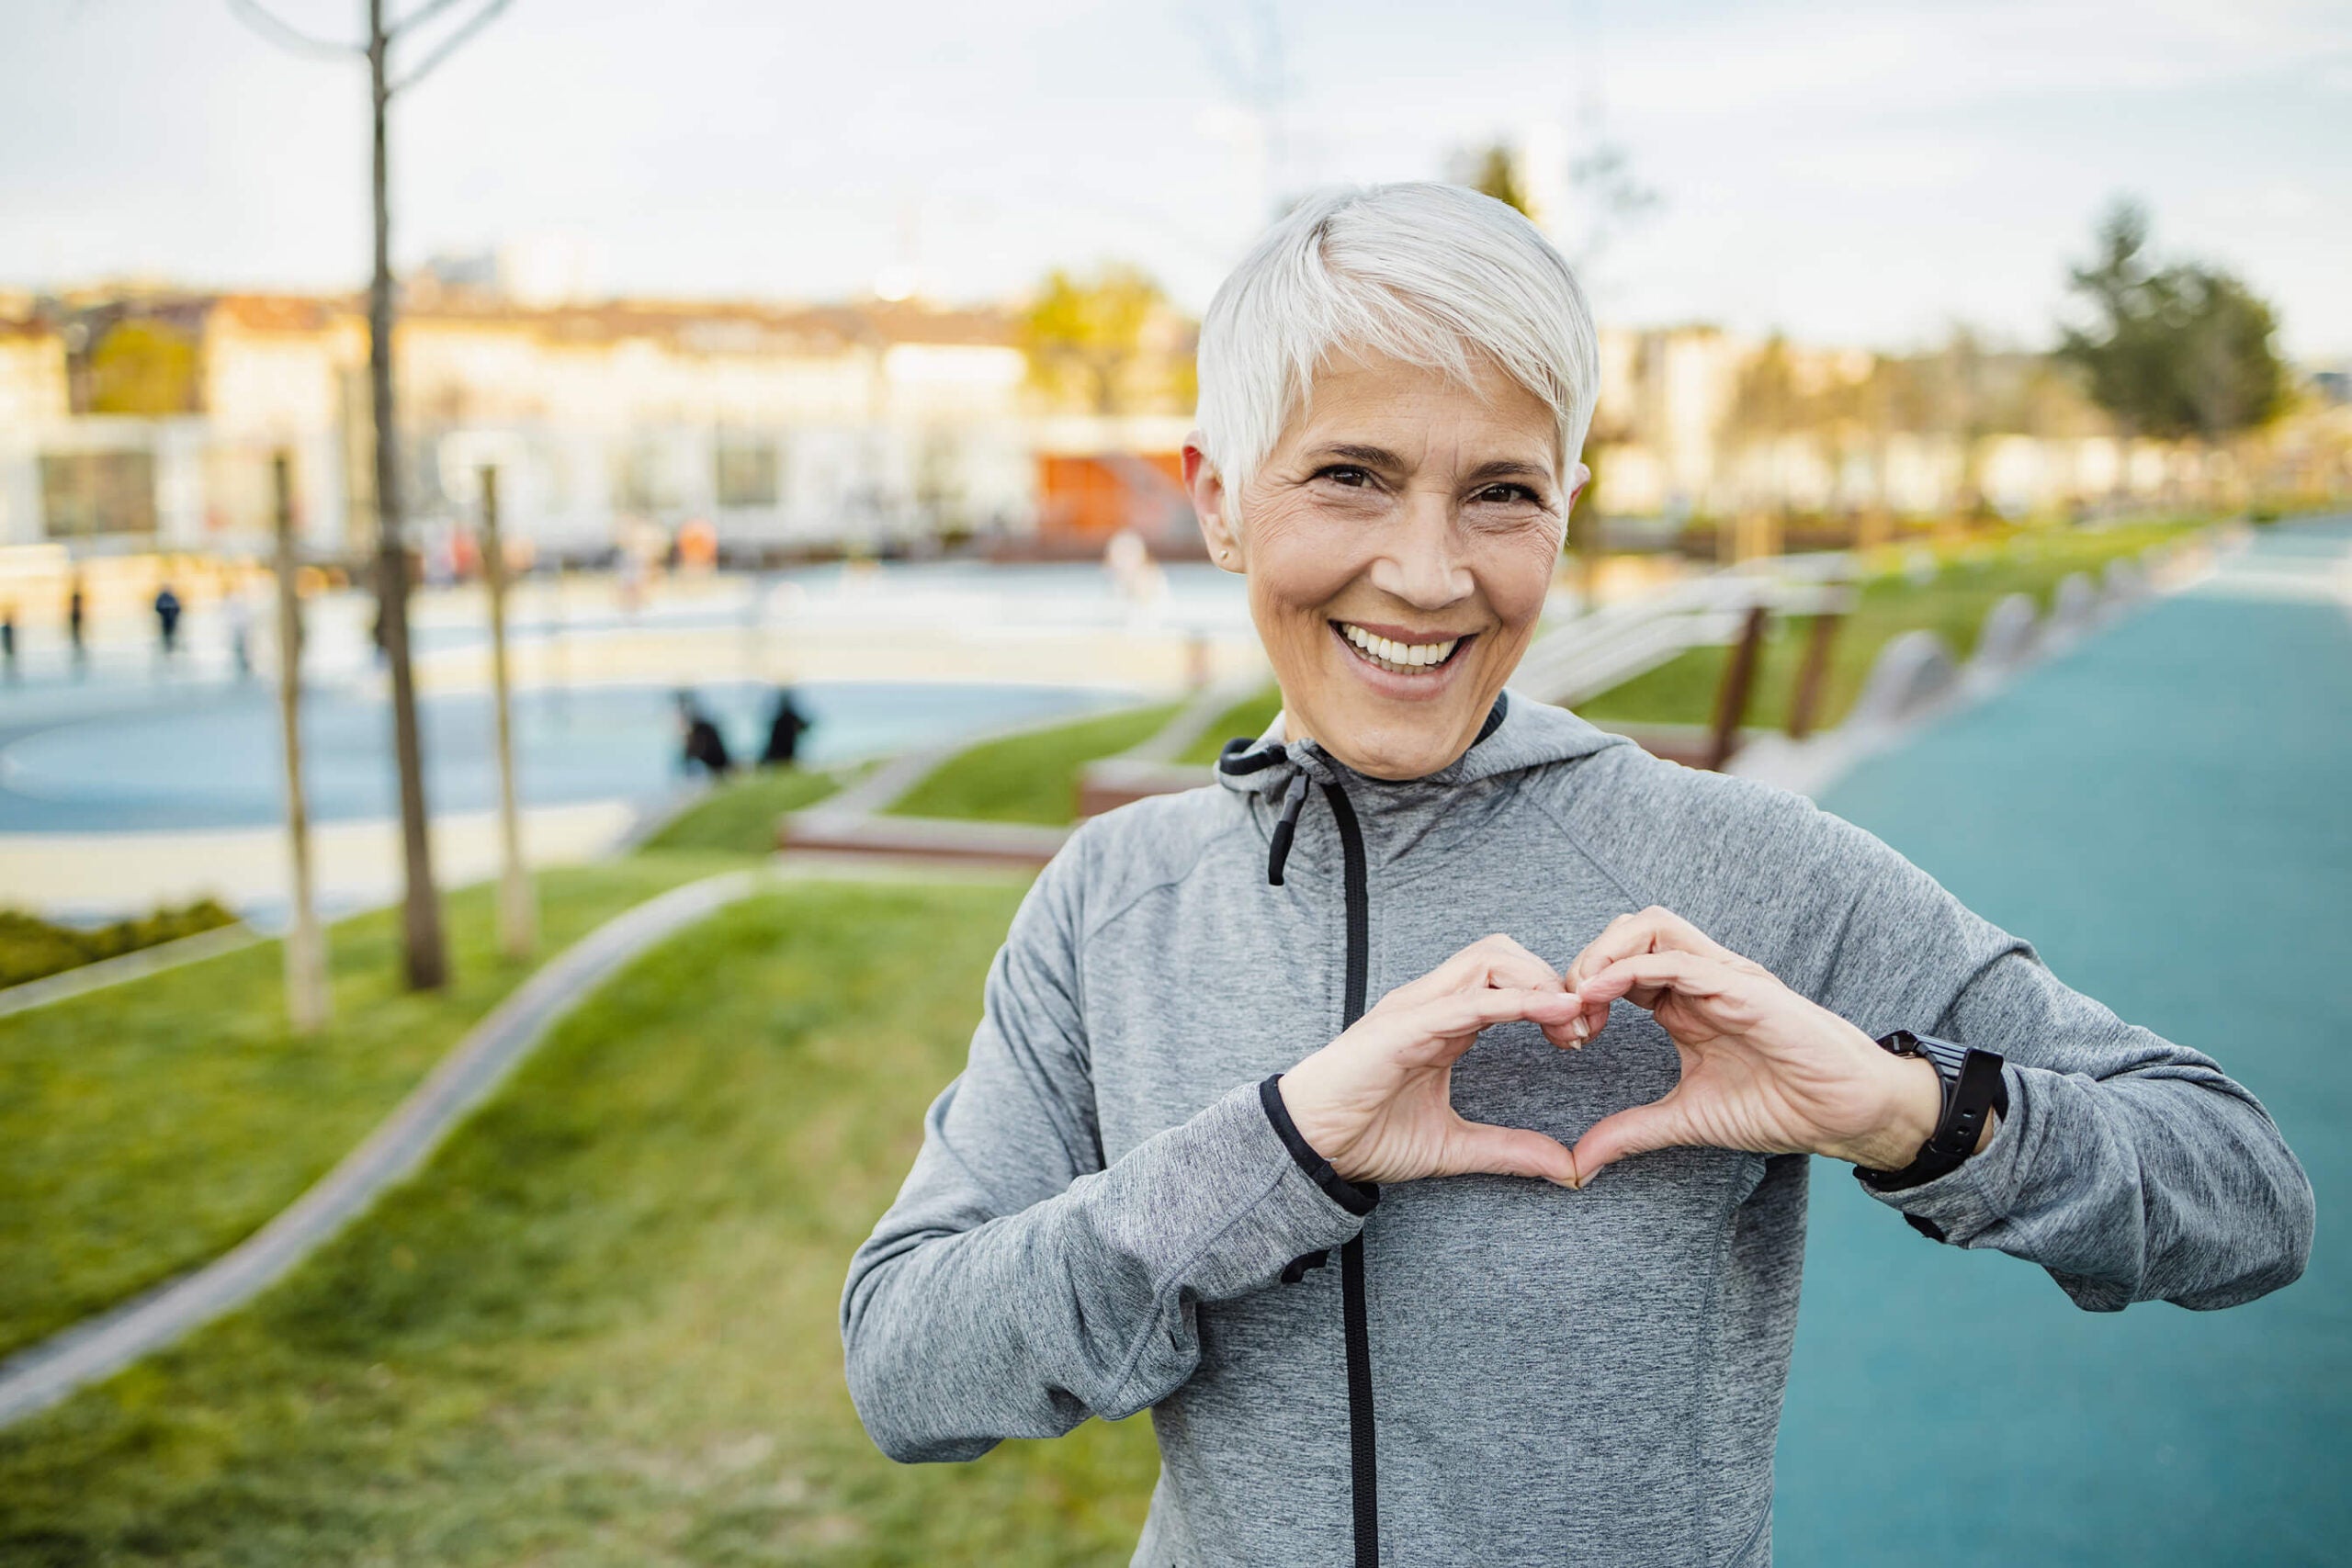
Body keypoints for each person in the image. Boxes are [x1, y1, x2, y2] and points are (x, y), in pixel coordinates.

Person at [838, 185, 2314, 1567]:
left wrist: (1900, 1106)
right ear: (1217, 498)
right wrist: (1281, 1150)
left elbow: (2243, 1193)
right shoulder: (1114, 900)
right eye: (1349, 476)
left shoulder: (1741, 864)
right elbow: (910, 1363)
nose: (1429, 573)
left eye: (1501, 494)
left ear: (1570, 506)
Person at [673, 690, 733, 779]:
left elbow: (696, 748)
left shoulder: (700, 727)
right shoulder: (701, 724)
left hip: (717, 761)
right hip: (717, 761)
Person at [759, 684, 811, 767]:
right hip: (781, 754)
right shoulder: (786, 717)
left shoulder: (781, 718)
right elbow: (805, 727)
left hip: (782, 754)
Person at [153, 582, 182, 657]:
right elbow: (157, 608)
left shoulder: (172, 597)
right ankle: (167, 647)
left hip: (171, 619)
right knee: (167, 633)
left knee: (170, 633)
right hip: (166, 619)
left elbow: (178, 608)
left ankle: (170, 647)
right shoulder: (163, 598)